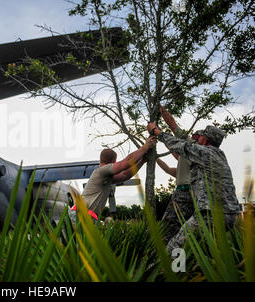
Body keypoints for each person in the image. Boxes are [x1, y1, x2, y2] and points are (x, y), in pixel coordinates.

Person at [147, 121, 240, 254]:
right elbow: (179, 156)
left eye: (201, 136)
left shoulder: (204, 152)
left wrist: (156, 131)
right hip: (231, 216)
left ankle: (164, 271)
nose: (197, 138)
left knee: (174, 248)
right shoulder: (220, 155)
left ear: (205, 139)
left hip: (210, 215)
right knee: (205, 247)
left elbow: (179, 145)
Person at [71, 136, 156, 223]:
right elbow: (126, 162)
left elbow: (125, 175)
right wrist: (146, 147)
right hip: (80, 214)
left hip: (86, 215)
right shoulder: (102, 170)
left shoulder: (105, 176)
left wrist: (142, 160)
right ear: (113, 160)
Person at [156, 106, 194, 242]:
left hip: (184, 194)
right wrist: (155, 158)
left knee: (167, 228)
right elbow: (168, 168)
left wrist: (161, 110)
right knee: (185, 229)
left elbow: (173, 126)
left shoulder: (193, 147)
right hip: (192, 196)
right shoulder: (186, 164)